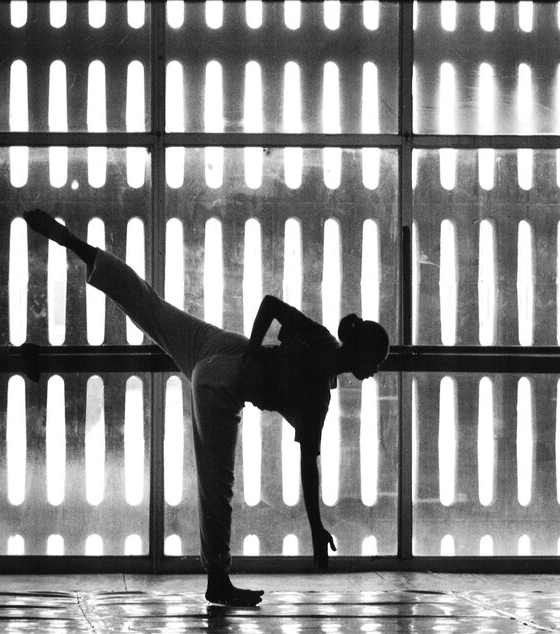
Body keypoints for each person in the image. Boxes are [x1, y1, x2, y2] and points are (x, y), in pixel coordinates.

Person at [23, 208, 390, 606]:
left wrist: (250, 352)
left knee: (152, 307)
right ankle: (218, 579)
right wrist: (316, 528)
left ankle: (73, 243)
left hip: (219, 347)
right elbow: (308, 466)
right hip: (223, 384)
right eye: (376, 360)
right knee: (217, 488)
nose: (375, 371)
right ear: (360, 351)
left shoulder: (318, 339)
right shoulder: (318, 395)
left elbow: (269, 306)